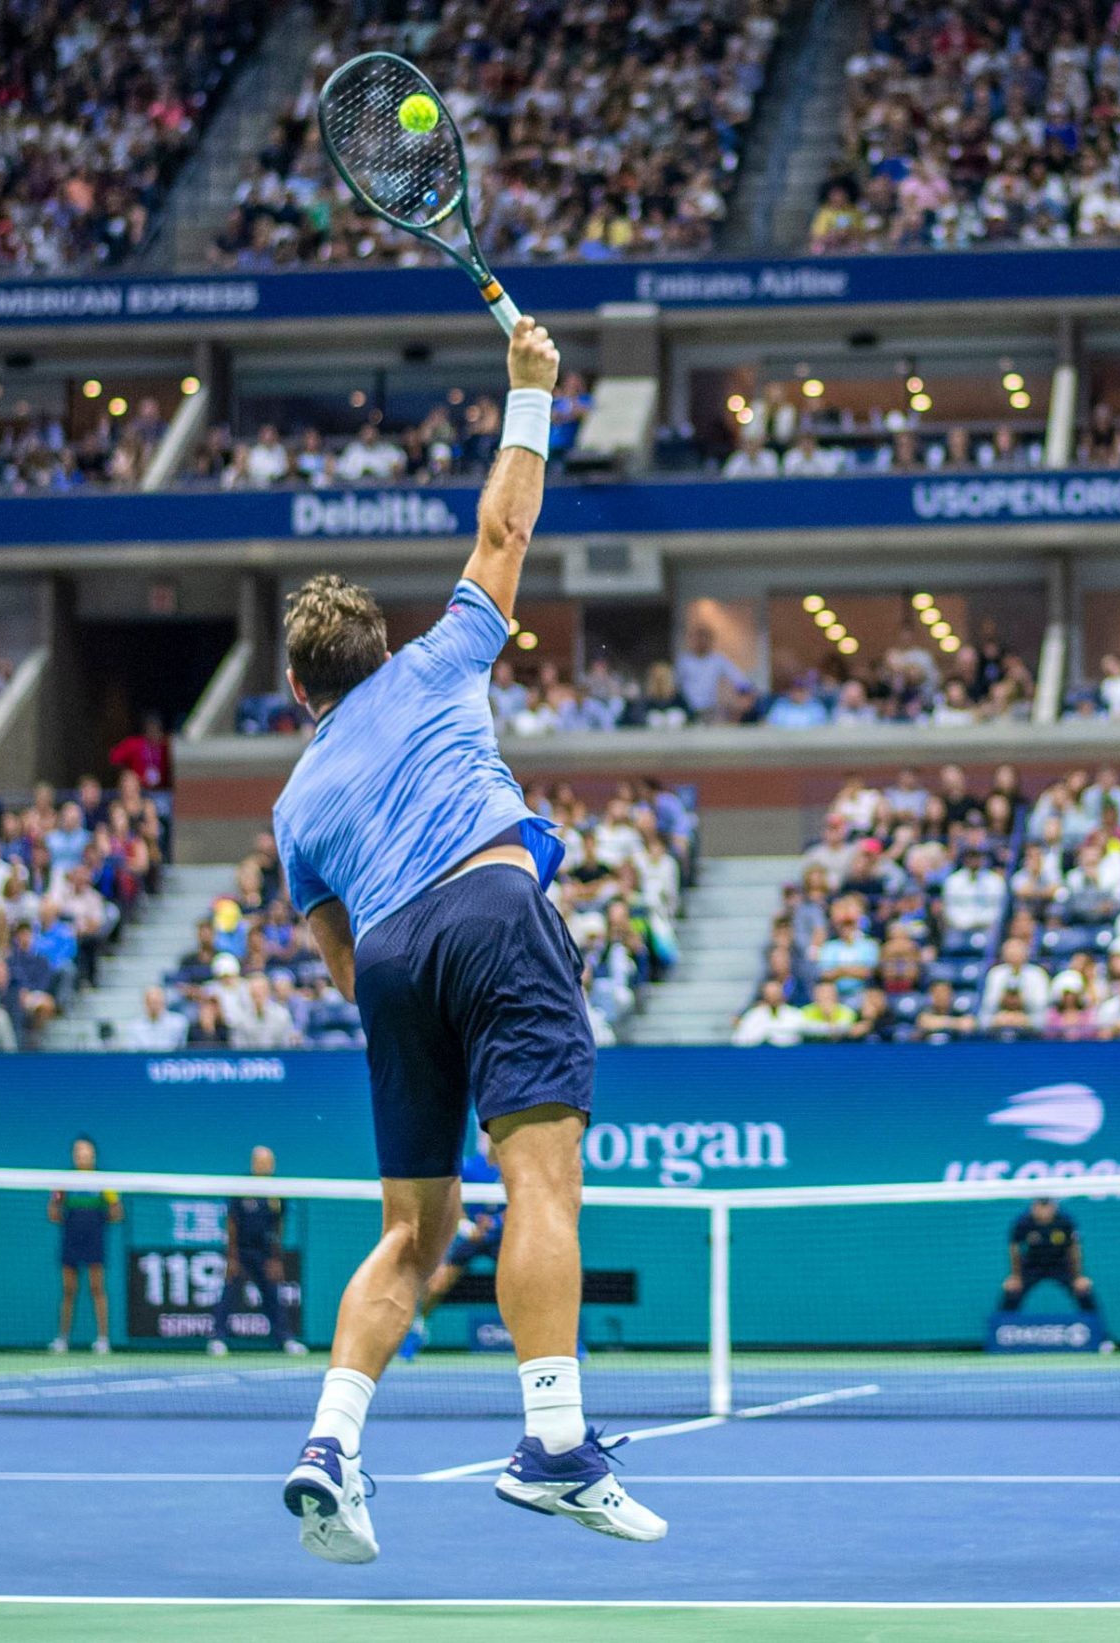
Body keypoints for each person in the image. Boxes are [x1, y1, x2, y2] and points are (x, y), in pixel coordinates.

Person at [269, 318, 663, 1562]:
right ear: (378, 652)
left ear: (298, 695)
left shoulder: (292, 805)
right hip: (490, 910)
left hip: (389, 963)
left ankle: (330, 1444)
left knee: (413, 1232)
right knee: (539, 1183)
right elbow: (504, 532)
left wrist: (423, 986)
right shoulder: (437, 661)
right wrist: (529, 391)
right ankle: (552, 1442)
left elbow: (342, 964)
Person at [399, 1133, 505, 1359]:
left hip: (503, 1236)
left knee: (526, 1285)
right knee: (436, 1284)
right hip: (471, 1236)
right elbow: (452, 1200)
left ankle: (566, 1340)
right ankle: (417, 1330)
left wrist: (495, 1223)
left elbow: (521, 1201)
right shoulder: (467, 1167)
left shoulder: (510, 1166)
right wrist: (468, 1227)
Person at [209, 1145, 308, 1357]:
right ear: (254, 1163)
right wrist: (232, 1257)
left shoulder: (276, 1191)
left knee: (273, 1295)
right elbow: (231, 1222)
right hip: (240, 1251)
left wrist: (276, 1258)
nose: (265, 1166)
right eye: (261, 1162)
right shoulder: (242, 1187)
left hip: (264, 1254)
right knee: (228, 1294)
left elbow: (278, 1225)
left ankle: (285, 1339)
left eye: (268, 1163)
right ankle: (218, 1339)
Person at [48, 1135, 121, 1354]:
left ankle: (103, 1339)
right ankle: (62, 1339)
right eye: (78, 1152)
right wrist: (70, 1220)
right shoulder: (65, 1181)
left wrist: (97, 1220)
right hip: (71, 1239)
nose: (83, 1156)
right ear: (74, 1156)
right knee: (68, 1290)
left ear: (94, 1155)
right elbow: (52, 1210)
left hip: (94, 1240)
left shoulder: (103, 1182)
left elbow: (117, 1211)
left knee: (97, 1288)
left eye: (87, 1152)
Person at [997, 1198, 1097, 1315]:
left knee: (1083, 1290)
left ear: (1054, 1207)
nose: (1044, 1211)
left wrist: (1078, 1277)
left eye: (1047, 1206)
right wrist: (1016, 1277)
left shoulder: (1065, 1221)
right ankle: (1000, 1329)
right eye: (1040, 1206)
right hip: (1032, 1265)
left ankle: (1099, 1331)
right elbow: (1014, 1250)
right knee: (1012, 1290)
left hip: (1060, 1264)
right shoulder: (1023, 1222)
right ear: (1034, 1207)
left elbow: (1074, 1250)